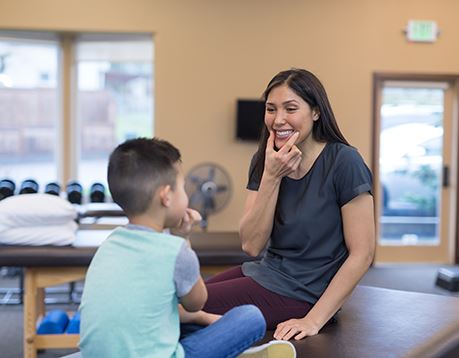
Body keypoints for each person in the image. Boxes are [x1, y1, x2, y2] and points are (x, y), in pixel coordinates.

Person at [79, 137, 296, 358]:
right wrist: (183, 239)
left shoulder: (108, 245)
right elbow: (197, 302)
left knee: (180, 319)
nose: (186, 194)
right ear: (166, 196)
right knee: (251, 317)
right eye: (182, 187)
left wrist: (203, 318)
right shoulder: (175, 251)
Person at [203, 68, 376, 341]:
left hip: (305, 292)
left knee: (186, 309)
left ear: (316, 112)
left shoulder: (344, 162)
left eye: (290, 109)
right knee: (185, 300)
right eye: (271, 109)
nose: (278, 119)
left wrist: (313, 320)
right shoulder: (265, 160)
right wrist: (271, 176)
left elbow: (362, 254)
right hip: (266, 273)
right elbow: (251, 245)